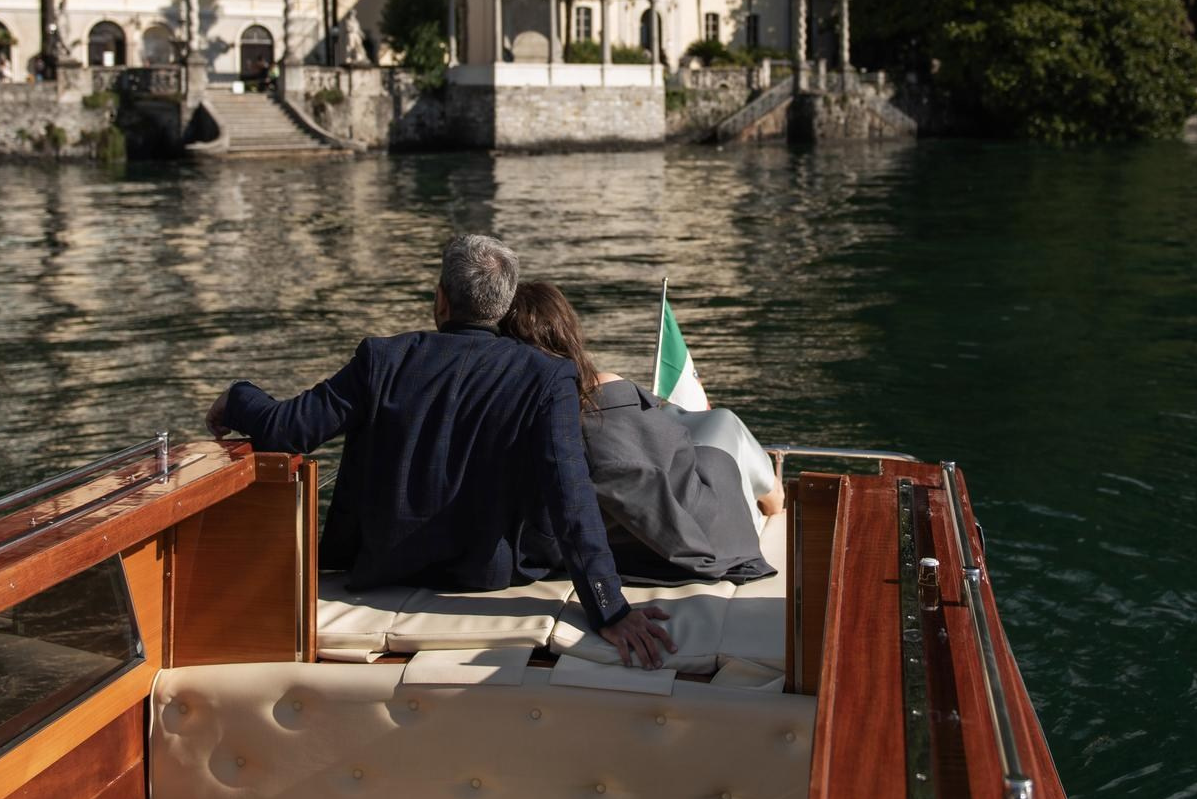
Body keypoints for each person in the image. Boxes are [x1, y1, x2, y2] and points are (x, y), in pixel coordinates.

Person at [205, 235, 676, 667]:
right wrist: (608, 607)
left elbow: (287, 429)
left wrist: (238, 397)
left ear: (441, 299)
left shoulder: (382, 358)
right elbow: (569, 495)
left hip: (382, 567)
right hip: (491, 574)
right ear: (504, 304)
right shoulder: (545, 376)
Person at [500, 281, 782, 587]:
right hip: (688, 533)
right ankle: (774, 496)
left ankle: (769, 491)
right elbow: (656, 453)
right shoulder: (594, 390)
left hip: (604, 538)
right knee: (723, 425)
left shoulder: (504, 406)